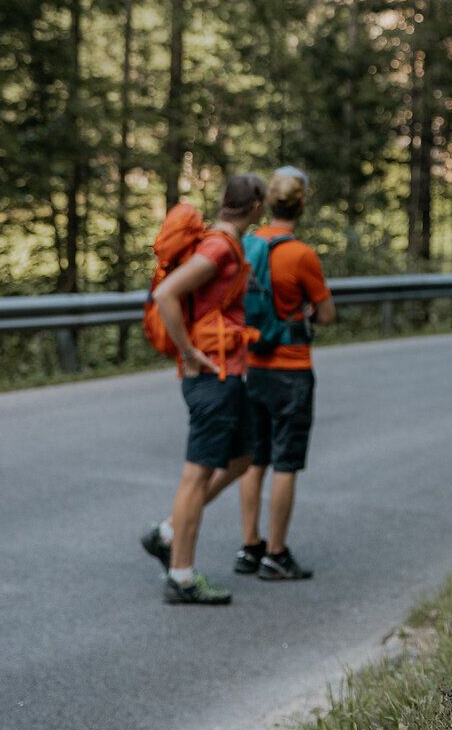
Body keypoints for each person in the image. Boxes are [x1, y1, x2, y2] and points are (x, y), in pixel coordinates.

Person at [140, 172, 265, 604]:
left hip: (227, 373)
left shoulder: (223, 241)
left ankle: (168, 531)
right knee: (196, 477)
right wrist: (189, 351)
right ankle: (181, 577)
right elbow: (167, 294)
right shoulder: (220, 246)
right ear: (255, 208)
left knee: (243, 457)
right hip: (212, 376)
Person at [236, 165, 334, 580]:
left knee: (254, 459)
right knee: (285, 463)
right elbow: (326, 314)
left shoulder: (246, 245)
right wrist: (306, 310)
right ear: (301, 204)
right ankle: (276, 554)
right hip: (292, 370)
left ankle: (249, 546)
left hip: (253, 365)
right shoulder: (301, 255)